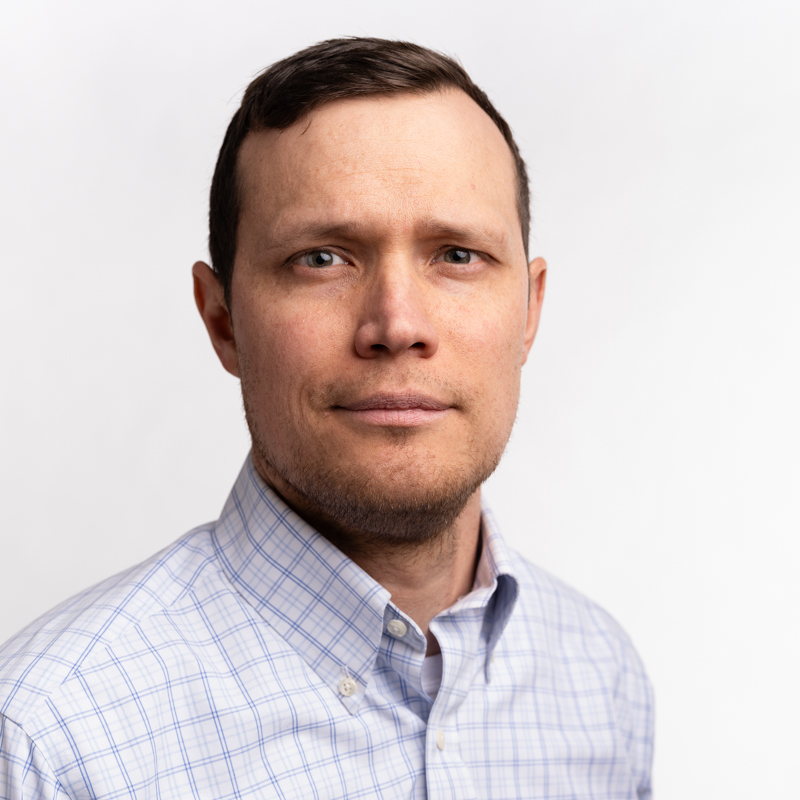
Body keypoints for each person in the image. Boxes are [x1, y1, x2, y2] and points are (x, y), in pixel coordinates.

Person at [0, 38, 653, 799]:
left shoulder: (600, 678)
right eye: (322, 259)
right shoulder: (49, 742)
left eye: (457, 255)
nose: (397, 325)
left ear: (530, 312)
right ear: (223, 321)